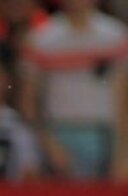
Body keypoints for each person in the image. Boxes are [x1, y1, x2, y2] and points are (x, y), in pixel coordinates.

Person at [19, 0, 128, 180]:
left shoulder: (115, 36)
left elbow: (123, 99)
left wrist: (123, 152)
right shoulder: (41, 39)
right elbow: (28, 101)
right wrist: (47, 142)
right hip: (58, 133)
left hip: (103, 134)